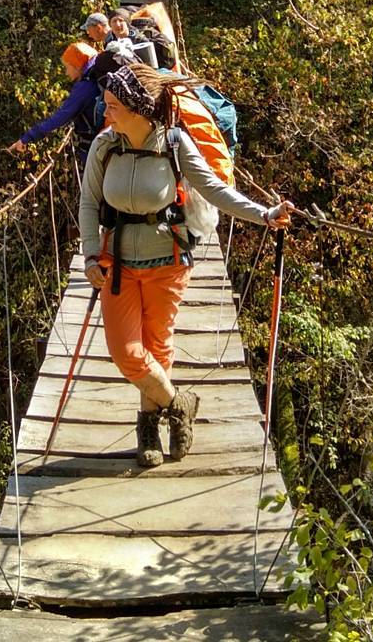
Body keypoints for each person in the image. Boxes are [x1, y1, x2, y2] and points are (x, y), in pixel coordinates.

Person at [79, 64, 293, 468]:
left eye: (112, 106)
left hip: (168, 261)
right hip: (116, 262)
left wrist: (264, 214)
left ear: (137, 108)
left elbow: (214, 188)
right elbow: (89, 202)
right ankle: (179, 403)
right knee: (126, 353)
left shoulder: (175, 144)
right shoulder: (105, 146)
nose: (105, 114)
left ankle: (148, 426)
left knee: (158, 346)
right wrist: (91, 252)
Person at [9, 42, 101, 163]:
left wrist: (27, 138)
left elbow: (59, 118)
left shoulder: (85, 87)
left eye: (67, 67)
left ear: (77, 66)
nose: (66, 73)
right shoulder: (94, 78)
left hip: (94, 149)